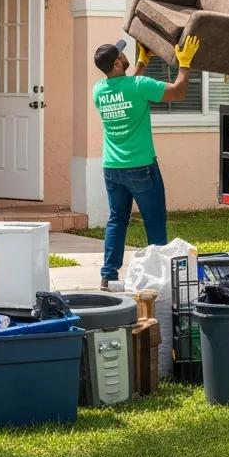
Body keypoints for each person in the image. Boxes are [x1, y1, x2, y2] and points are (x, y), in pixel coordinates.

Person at [92, 34, 201, 291]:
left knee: (117, 220)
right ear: (117, 63)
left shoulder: (99, 90)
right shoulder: (139, 85)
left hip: (113, 168)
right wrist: (185, 63)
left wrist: (142, 61)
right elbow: (179, 91)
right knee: (154, 221)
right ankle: (160, 276)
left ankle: (108, 275)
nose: (125, 54)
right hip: (141, 167)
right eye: (122, 54)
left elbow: (127, 88)